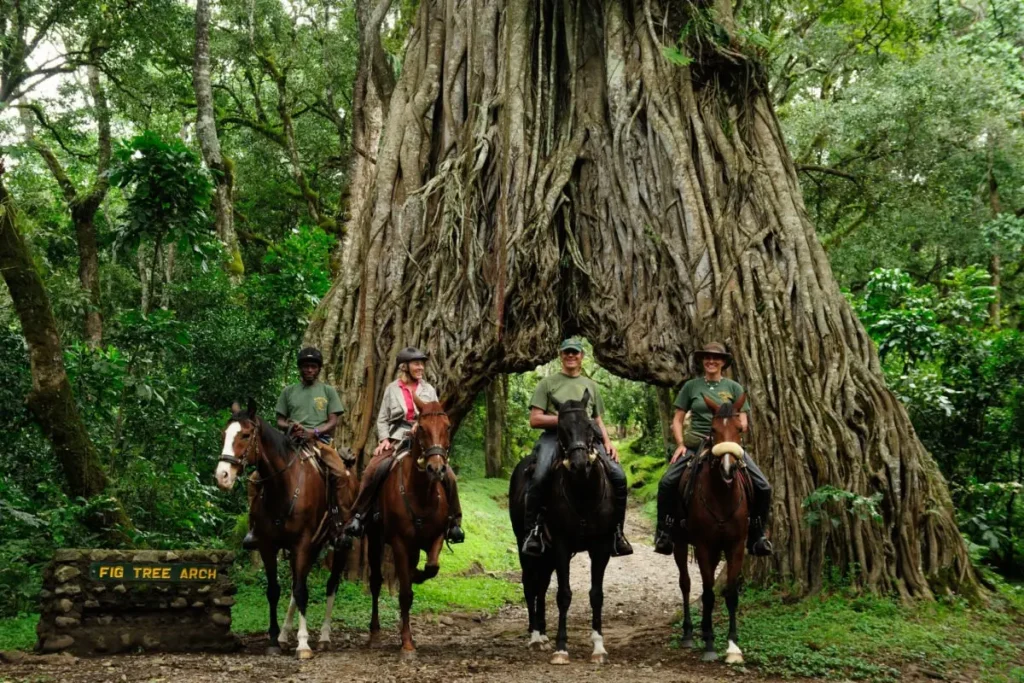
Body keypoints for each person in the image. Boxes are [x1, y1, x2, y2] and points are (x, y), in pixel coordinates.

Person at [652, 342, 773, 557]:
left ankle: (757, 534)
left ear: (723, 362)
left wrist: (733, 425)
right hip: (696, 444)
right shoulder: (691, 387)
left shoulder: (734, 388)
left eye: (716, 358)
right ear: (702, 361)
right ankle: (665, 531)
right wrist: (680, 444)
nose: (711, 361)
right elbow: (677, 420)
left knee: (763, 486)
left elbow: (743, 420)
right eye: (707, 357)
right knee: (667, 482)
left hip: (728, 444)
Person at [520, 338, 633, 558]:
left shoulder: (591, 385)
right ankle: (532, 531)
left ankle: (616, 533)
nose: (571, 356)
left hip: (588, 439)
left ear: (582, 357)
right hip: (555, 438)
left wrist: (608, 443)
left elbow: (597, 419)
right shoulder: (547, 384)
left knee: (618, 476)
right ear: (561, 356)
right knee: (541, 475)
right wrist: (567, 420)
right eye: (567, 353)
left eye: (575, 353)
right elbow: (535, 419)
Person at [343, 347, 465, 543]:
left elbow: (435, 417)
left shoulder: (429, 390)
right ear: (405, 366)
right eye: (416, 363)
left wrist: (422, 424)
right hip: (398, 438)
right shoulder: (392, 389)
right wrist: (384, 439)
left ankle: (454, 523)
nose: (421, 367)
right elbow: (382, 419)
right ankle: (359, 516)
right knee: (372, 470)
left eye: (422, 364)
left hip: (424, 441)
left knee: (449, 476)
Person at [242, 347, 350, 550]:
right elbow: (280, 420)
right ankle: (255, 527)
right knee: (255, 479)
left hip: (320, 443)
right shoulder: (288, 391)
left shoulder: (327, 391)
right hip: (289, 443)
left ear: (318, 369)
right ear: (300, 369)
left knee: (341, 475)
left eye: (313, 366)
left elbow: (333, 420)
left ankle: (340, 526)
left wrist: (313, 432)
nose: (309, 370)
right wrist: (291, 426)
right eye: (305, 367)